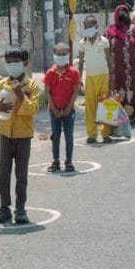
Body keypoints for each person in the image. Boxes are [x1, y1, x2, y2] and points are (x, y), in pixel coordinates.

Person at [0, 48, 41, 224]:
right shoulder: (1, 84)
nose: (12, 65)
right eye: (8, 62)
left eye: (15, 61)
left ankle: (21, 208)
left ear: (25, 63)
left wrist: (20, 95)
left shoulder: (31, 85)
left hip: (23, 135)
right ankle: (4, 207)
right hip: (5, 134)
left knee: (21, 174)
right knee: (3, 173)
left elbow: (33, 109)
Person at [44, 43, 81, 173]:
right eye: (59, 54)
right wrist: (54, 108)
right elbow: (47, 92)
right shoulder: (50, 73)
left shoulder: (74, 72)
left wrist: (69, 107)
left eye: (64, 54)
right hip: (54, 110)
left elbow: (75, 91)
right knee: (56, 135)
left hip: (68, 110)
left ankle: (69, 161)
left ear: (69, 55)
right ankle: (56, 161)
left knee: (69, 136)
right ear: (54, 55)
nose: (61, 57)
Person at [78, 15, 114, 144]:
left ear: (96, 27)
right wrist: (79, 79)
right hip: (90, 78)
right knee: (90, 106)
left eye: (90, 26)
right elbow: (81, 62)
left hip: (104, 76)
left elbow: (109, 60)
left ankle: (105, 133)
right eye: (86, 27)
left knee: (105, 105)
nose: (88, 29)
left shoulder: (104, 41)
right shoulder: (82, 43)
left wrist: (112, 78)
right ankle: (92, 134)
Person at [106, 4, 135, 125]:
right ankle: (118, 118)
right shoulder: (110, 30)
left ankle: (133, 117)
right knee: (117, 91)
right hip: (116, 69)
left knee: (133, 90)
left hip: (132, 68)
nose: (122, 16)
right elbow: (105, 48)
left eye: (125, 13)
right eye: (120, 13)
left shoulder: (134, 30)